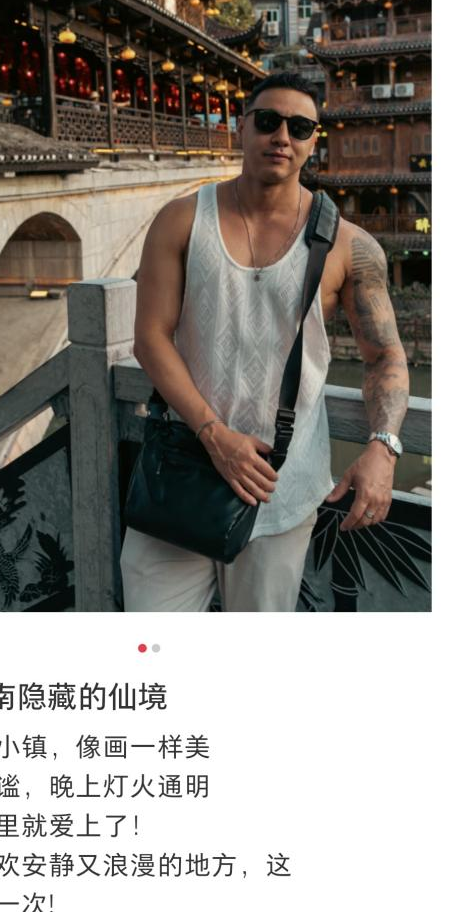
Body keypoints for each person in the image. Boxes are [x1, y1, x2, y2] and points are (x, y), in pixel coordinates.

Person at [122, 71, 409, 612]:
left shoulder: (348, 246)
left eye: (300, 127)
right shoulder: (182, 220)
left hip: (281, 489)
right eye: (268, 121)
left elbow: (386, 356)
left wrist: (383, 447)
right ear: (242, 127)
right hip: (180, 474)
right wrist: (214, 434)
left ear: (313, 141)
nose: (282, 136)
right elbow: (150, 337)